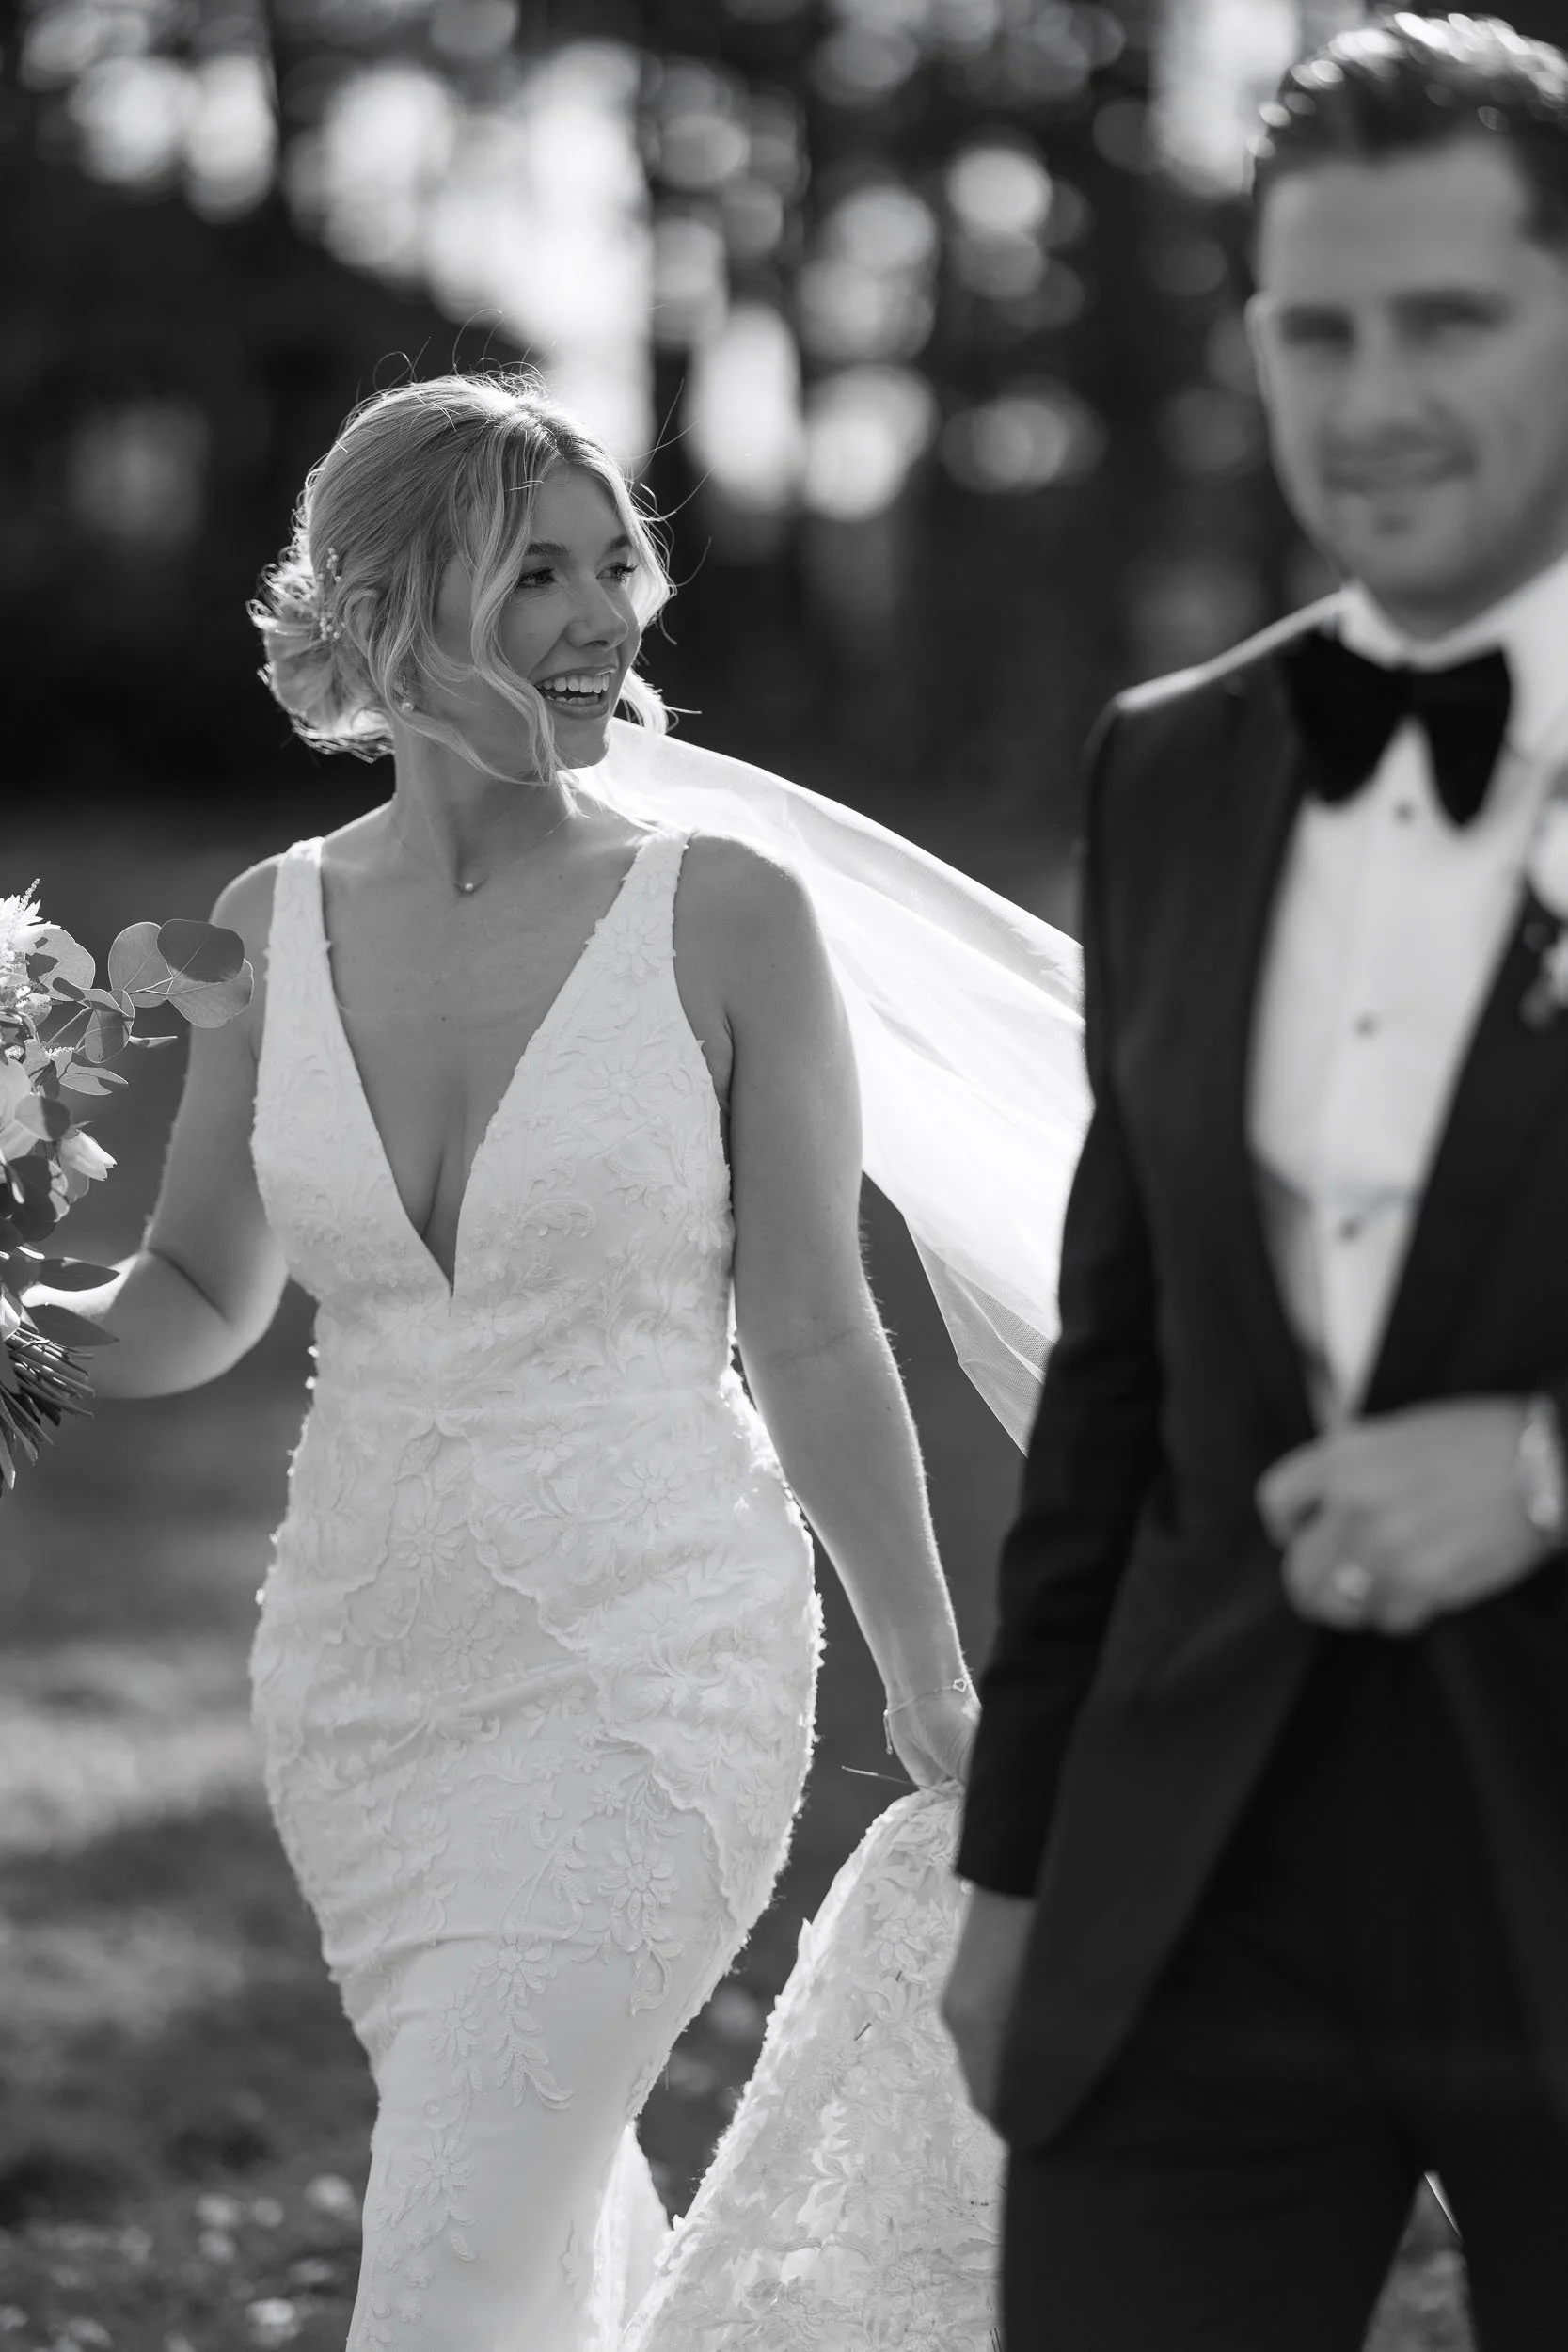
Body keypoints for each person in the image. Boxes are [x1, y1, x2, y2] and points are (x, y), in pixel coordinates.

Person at [48, 371, 996, 2351]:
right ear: (391, 605)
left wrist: (927, 1670)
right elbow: (195, 1297)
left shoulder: (725, 916)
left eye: (613, 566)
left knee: (450, 2250)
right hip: (363, 1678)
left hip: (654, 1663)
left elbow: (813, 1319)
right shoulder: (265, 921)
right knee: (515, 2187)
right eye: (536, 571)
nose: (604, 618)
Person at [942, 13, 1568, 2349]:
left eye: (1449, 320)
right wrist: (1012, 1881)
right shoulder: (1175, 767)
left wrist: (1535, 1462)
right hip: (1202, 1869)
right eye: (1314, 328)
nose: (1368, 392)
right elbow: (1119, 1358)